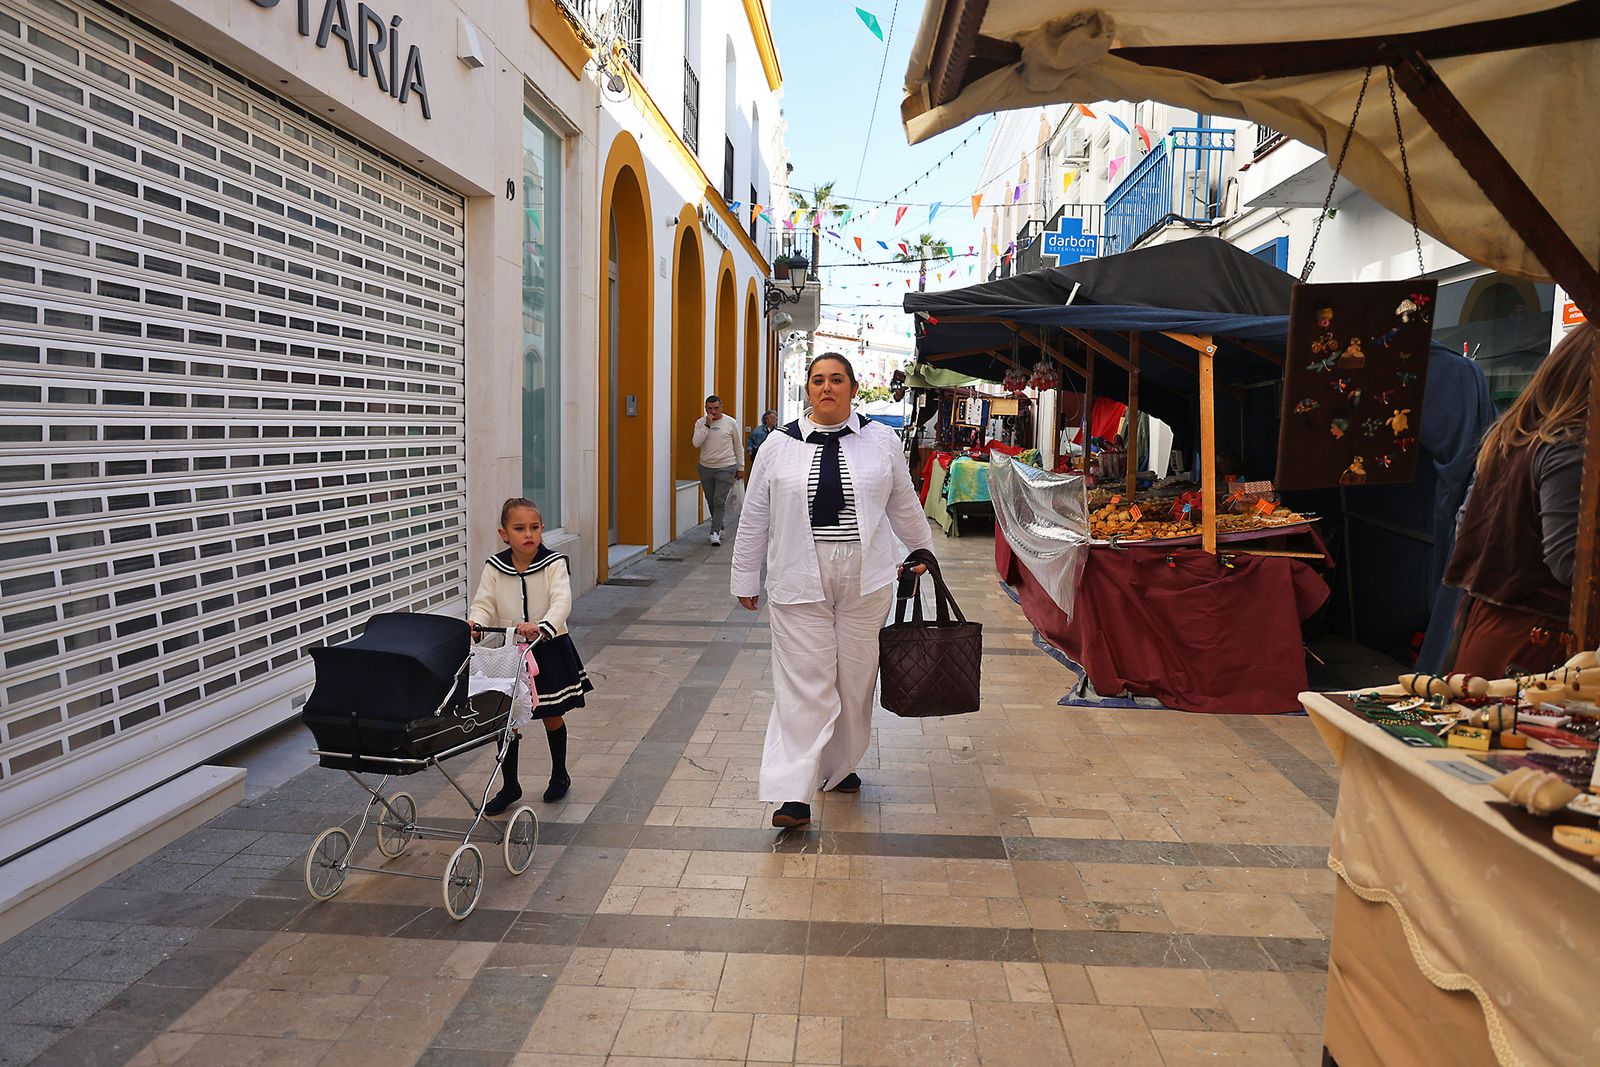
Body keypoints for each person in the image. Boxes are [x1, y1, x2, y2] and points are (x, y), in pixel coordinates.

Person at [731, 353, 935, 829]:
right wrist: (745, 576)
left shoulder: (881, 440)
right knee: (804, 682)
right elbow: (755, 515)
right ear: (807, 389)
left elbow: (903, 501)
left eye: (836, 379)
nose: (827, 387)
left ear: (852, 388)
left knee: (855, 679)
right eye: (818, 380)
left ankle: (839, 765)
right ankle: (793, 792)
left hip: (866, 579)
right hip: (799, 575)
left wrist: (923, 549)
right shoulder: (777, 446)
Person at [1444, 323, 1595, 677]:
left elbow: (1464, 527)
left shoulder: (1512, 437)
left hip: (1489, 625)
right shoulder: (1568, 448)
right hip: (1535, 641)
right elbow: (1571, 564)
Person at [468, 497, 593, 812]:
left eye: (534, 527)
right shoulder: (494, 567)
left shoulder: (554, 563)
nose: (528, 534)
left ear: (542, 530)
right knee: (505, 719)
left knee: (552, 713)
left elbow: (561, 600)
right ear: (504, 533)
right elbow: (485, 603)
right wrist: (477, 624)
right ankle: (510, 785)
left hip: (548, 648)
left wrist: (544, 625)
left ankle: (560, 774)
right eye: (519, 528)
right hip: (510, 651)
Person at [692, 395, 744, 546]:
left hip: (726, 466)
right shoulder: (700, 423)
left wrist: (741, 467)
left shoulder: (730, 423)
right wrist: (706, 427)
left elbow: (738, 446)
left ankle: (714, 533)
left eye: (716, 408)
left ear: (721, 407)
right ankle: (719, 526)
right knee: (711, 500)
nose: (713, 412)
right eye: (709, 408)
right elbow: (696, 443)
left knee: (719, 500)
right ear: (705, 408)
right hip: (706, 467)